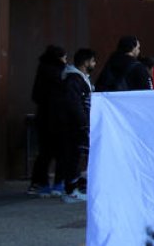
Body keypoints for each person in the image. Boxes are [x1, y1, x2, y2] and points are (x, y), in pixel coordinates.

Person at [57, 48, 96, 203]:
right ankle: (70, 191)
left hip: (77, 124)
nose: (94, 63)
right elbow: (74, 104)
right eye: (93, 60)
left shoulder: (79, 78)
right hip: (74, 126)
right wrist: (83, 123)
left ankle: (73, 188)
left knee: (76, 156)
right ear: (86, 62)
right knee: (73, 156)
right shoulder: (74, 80)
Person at [28, 45, 67, 197]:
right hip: (59, 118)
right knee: (62, 153)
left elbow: (35, 95)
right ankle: (58, 184)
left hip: (43, 117)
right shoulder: (61, 73)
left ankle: (41, 183)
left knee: (44, 153)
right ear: (59, 58)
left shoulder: (42, 70)